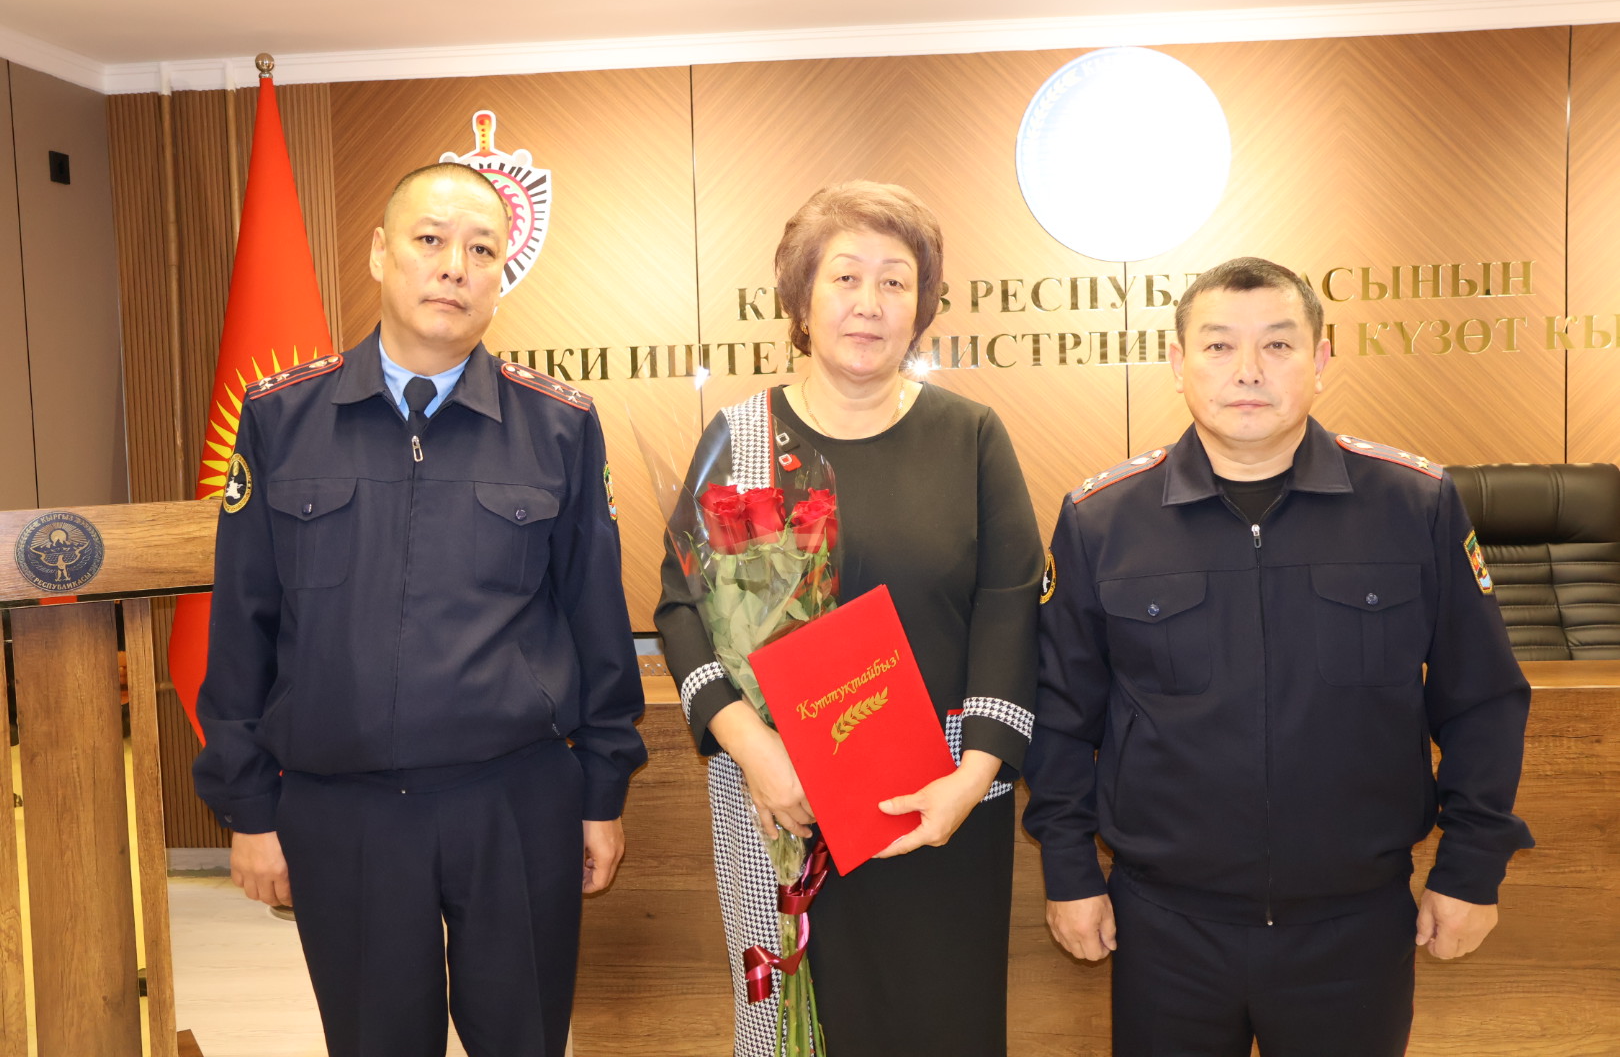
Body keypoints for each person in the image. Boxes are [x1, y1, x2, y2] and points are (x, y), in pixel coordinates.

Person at [1023, 256, 1535, 1056]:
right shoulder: (1102, 521)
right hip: (1165, 928)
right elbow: (1061, 715)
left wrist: (1471, 867)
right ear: (1178, 363)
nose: (1248, 371)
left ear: (1321, 359)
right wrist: (1069, 869)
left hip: (1354, 925)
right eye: (1218, 346)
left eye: (1278, 345)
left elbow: (1484, 700)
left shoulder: (1415, 504)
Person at [192, 161, 646, 1057]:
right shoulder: (283, 417)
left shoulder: (558, 424)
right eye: (430, 239)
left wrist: (602, 793)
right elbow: (244, 624)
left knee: (524, 1040)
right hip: (345, 811)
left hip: (515, 801)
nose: (454, 267)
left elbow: (597, 622)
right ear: (379, 252)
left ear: (502, 275)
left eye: (482, 250)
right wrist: (248, 807)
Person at [655, 181, 1042, 1057]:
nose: (870, 303)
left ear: (923, 307)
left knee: (943, 1026)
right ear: (800, 300)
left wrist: (972, 778)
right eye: (845, 277)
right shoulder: (743, 439)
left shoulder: (971, 436)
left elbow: (1010, 608)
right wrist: (757, 754)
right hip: (783, 806)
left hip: (939, 806)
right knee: (799, 1030)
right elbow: (682, 610)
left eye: (895, 281)